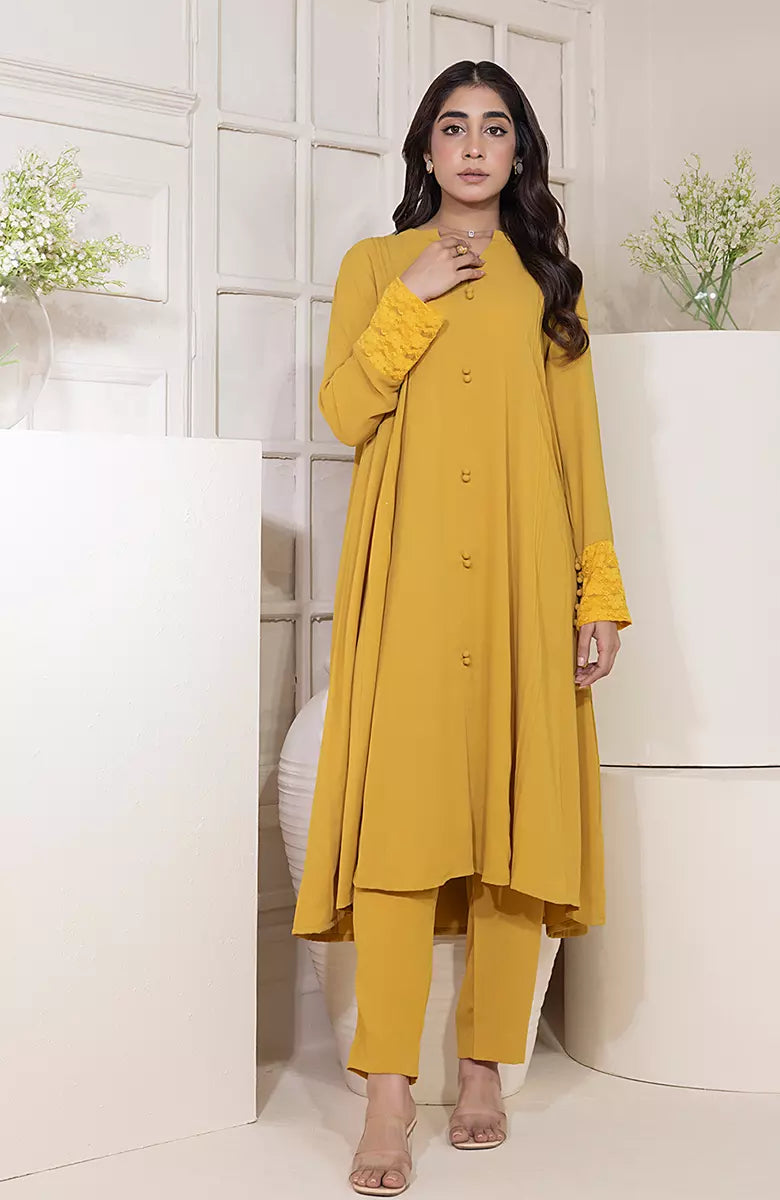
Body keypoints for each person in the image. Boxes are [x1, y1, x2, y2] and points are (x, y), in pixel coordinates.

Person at [291, 58, 632, 1196]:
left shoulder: (549, 283)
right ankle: (388, 1091)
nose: (475, 145)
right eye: (454, 126)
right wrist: (415, 295)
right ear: (426, 149)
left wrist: (597, 593)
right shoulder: (376, 266)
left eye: (495, 127)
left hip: (526, 581)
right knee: (404, 824)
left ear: (519, 150)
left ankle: (485, 1064)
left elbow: (579, 448)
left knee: (514, 819)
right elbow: (344, 410)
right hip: (414, 582)